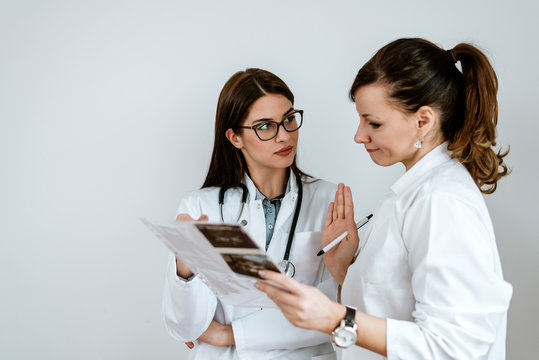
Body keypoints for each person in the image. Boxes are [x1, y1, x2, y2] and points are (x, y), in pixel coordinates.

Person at [256, 38, 513, 359]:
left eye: (373, 123)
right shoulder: (413, 194)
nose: (359, 135)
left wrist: (334, 318)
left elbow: (453, 346)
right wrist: (344, 270)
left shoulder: (442, 201)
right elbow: (395, 306)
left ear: (423, 121)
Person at [162, 68, 339, 360]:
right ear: (234, 138)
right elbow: (186, 329)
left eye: (289, 119)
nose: (284, 136)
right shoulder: (200, 209)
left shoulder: (330, 201)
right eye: (265, 127)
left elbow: (332, 313)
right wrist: (185, 268)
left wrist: (229, 334)